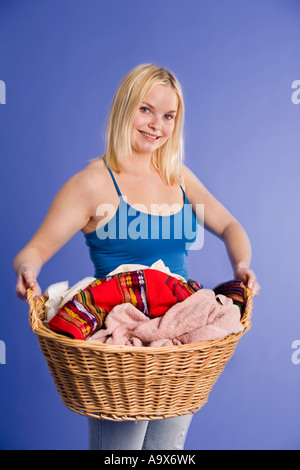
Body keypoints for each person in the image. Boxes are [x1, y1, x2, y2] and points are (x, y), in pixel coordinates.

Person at [14, 63, 260, 450]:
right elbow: (34, 250)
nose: (155, 125)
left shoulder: (177, 175)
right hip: (122, 338)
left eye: (168, 116)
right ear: (124, 108)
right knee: (122, 453)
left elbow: (230, 226)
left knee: (166, 454)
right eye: (145, 109)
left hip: (180, 337)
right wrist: (27, 271)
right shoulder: (92, 182)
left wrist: (242, 267)